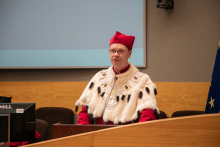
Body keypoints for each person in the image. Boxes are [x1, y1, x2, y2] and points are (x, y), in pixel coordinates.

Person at [75, 31, 159, 125]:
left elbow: (147, 114)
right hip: (97, 135)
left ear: (129, 54)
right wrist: (83, 133)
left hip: (126, 135)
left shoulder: (143, 80)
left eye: (121, 51)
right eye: (112, 51)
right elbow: (85, 111)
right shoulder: (99, 77)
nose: (115, 54)